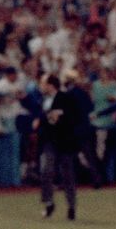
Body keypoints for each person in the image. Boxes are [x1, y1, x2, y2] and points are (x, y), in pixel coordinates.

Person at [35, 73, 85, 220]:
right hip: (49, 141)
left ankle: (71, 207)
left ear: (51, 85)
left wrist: (60, 117)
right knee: (46, 170)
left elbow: (75, 117)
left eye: (43, 83)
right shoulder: (43, 100)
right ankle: (49, 202)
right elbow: (43, 118)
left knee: (67, 175)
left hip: (64, 141)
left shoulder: (66, 98)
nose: (41, 86)